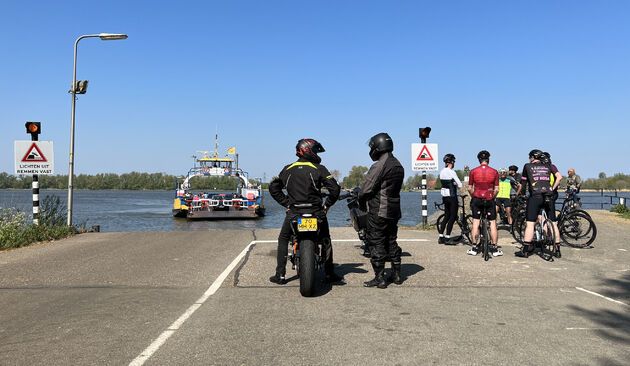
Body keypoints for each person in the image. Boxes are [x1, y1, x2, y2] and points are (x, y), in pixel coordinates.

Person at [268, 138, 343, 284]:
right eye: (315, 150)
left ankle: (280, 275)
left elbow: (273, 187)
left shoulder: (287, 169)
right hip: (316, 211)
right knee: (325, 238)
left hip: (294, 212)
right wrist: (327, 205)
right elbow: (335, 189)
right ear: (307, 150)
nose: (316, 153)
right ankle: (329, 273)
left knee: (283, 239)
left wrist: (286, 203)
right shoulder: (319, 169)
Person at [358, 132, 405, 289]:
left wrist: (361, 202)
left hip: (379, 210)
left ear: (377, 147)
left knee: (376, 241)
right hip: (394, 210)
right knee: (391, 240)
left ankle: (380, 278)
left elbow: (366, 189)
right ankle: (397, 275)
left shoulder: (379, 165)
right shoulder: (398, 164)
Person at [515, 149, 561, 258]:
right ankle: (557, 250)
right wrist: (552, 188)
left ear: (532, 157)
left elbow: (524, 182)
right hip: (549, 195)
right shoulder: (548, 165)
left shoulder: (527, 166)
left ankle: (526, 250)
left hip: (535, 196)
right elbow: (558, 176)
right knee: (553, 223)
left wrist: (522, 195)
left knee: (530, 223)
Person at [466, 150, 501, 256]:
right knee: (493, 223)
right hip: (489, 198)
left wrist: (473, 196)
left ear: (479, 160)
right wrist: (492, 197)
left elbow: (469, 188)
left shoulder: (473, 171)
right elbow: (497, 189)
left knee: (476, 222)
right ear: (488, 159)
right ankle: (495, 249)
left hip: (477, 198)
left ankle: (474, 248)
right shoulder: (494, 172)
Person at [438, 153, 463, 244]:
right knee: (452, 217)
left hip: (445, 196)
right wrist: (455, 183)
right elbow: (460, 184)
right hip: (452, 196)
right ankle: (448, 237)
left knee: (446, 216)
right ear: (451, 162)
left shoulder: (441, 172)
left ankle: (441, 237)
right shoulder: (451, 172)